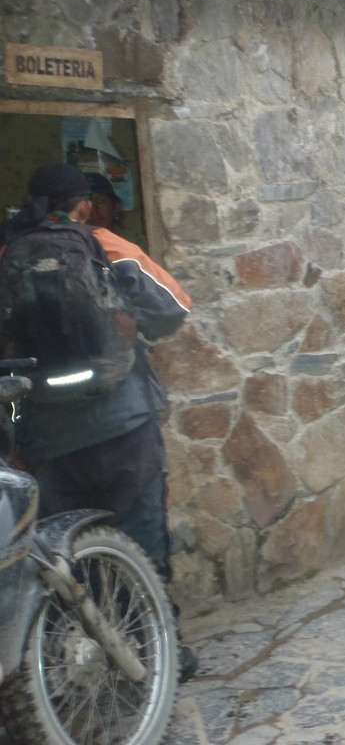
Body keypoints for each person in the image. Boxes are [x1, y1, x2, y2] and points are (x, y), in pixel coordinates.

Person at [0, 164, 197, 681]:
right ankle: (162, 656)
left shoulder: (5, 252)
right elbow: (175, 307)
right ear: (83, 205)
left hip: (45, 435)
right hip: (122, 425)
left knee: (65, 556)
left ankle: (85, 668)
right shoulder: (104, 243)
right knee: (142, 539)